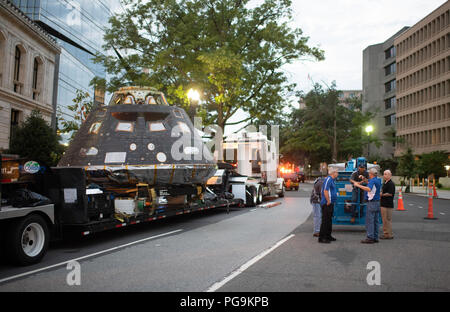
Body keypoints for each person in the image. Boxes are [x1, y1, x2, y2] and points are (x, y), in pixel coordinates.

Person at [354, 168, 382, 244]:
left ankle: (370, 237)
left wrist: (357, 185)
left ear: (371, 174)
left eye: (369, 173)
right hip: (377, 202)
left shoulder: (372, 181)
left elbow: (369, 188)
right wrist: (363, 178)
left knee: (370, 221)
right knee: (376, 221)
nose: (368, 174)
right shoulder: (377, 180)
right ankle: (375, 237)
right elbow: (369, 182)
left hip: (371, 202)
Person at [318, 167, 339, 244]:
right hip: (327, 203)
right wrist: (328, 200)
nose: (338, 173)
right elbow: (325, 190)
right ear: (333, 173)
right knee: (325, 221)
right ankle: (322, 237)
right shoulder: (328, 179)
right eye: (337, 172)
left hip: (330, 203)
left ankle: (328, 235)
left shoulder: (332, 180)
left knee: (329, 220)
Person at [380, 170, 395, 239]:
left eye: (386, 174)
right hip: (383, 204)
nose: (384, 175)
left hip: (387, 205)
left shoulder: (391, 183)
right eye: (384, 174)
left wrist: (382, 194)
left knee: (386, 220)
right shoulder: (385, 183)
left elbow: (390, 193)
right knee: (386, 220)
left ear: (390, 175)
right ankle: (389, 234)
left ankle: (387, 234)